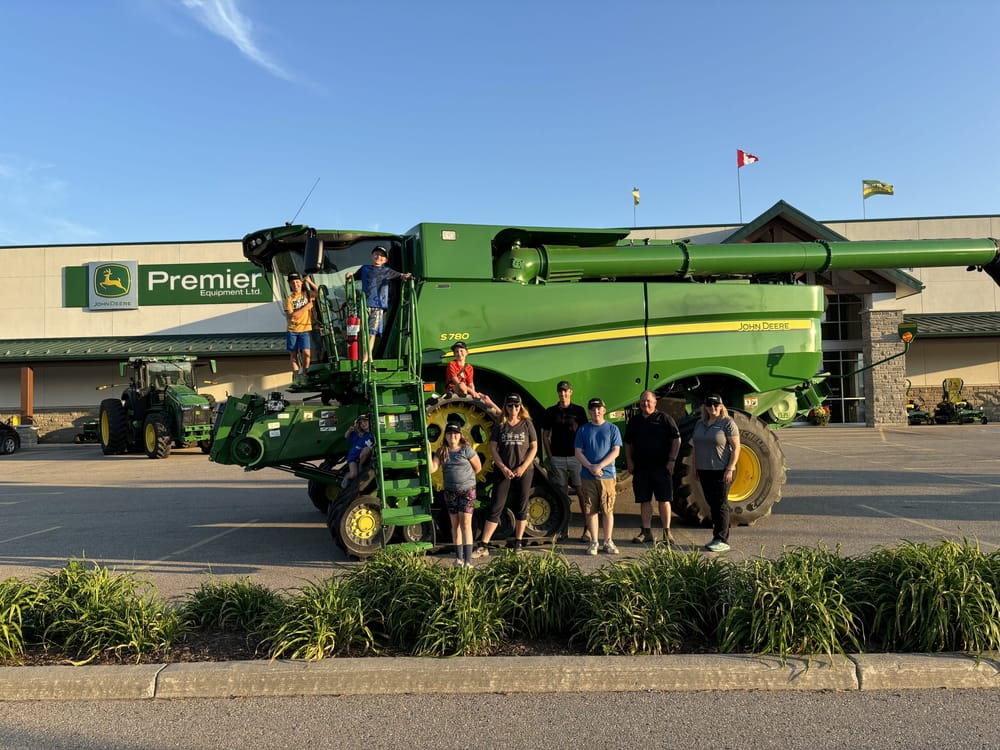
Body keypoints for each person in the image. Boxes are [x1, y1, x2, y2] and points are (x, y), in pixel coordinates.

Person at [473, 393, 537, 558]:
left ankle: (518, 543)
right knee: (496, 507)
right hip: (504, 471)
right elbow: (493, 449)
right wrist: (503, 468)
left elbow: (534, 447)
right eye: (510, 406)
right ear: (506, 407)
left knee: (522, 506)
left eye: (516, 406)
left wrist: (523, 467)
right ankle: (484, 545)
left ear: (520, 407)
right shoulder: (500, 425)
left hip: (524, 471)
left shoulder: (527, 424)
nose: (513, 409)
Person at [624, 390, 681, 545]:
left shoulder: (665, 419)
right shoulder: (634, 421)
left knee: (664, 500)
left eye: (648, 401)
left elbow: (677, 440)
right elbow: (628, 443)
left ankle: (667, 532)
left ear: (655, 403)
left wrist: (672, 460)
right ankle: (646, 532)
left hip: (662, 467)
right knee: (644, 500)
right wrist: (629, 460)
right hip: (641, 467)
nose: (645, 403)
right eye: (643, 401)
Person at [691, 394, 741, 553]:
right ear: (704, 406)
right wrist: (695, 469)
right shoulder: (700, 424)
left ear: (721, 405)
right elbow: (695, 449)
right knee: (712, 504)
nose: (712, 407)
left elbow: (736, 448)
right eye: (709, 404)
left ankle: (723, 539)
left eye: (716, 404)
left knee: (720, 505)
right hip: (704, 470)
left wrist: (730, 468)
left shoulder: (727, 423)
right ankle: (716, 536)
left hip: (721, 470)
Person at [541, 380, 589, 540]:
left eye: (566, 391)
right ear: (558, 393)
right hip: (558, 458)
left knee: (581, 492)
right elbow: (545, 435)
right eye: (560, 391)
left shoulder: (579, 411)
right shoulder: (551, 411)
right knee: (562, 493)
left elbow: (585, 434)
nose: (563, 394)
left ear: (571, 392)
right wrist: (550, 455)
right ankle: (563, 528)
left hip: (576, 457)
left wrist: (583, 454)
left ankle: (587, 528)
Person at [429, 422, 482, 567]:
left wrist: (466, 480)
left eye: (455, 433)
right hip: (450, 492)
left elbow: (478, 467)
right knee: (455, 524)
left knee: (466, 523)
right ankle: (458, 559)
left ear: (460, 435)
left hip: (467, 491)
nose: (453, 436)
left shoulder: (466, 450)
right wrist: (428, 451)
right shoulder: (441, 451)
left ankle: (468, 561)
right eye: (450, 433)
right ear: (445, 436)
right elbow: (432, 468)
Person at [574, 397, 622, 556]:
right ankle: (594, 541)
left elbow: (616, 450)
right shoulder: (583, 430)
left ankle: (608, 541)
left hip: (607, 475)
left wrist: (600, 466)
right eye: (593, 409)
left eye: (598, 408)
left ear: (604, 410)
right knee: (591, 509)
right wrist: (590, 466)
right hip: (588, 476)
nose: (596, 411)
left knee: (608, 509)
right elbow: (578, 452)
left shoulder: (612, 428)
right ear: (589, 411)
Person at [351, 245, 411, 360]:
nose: (379, 257)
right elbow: (353, 278)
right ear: (372, 255)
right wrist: (349, 276)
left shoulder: (387, 271)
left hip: (378, 306)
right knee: (361, 332)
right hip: (364, 304)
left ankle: (366, 359)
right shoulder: (364, 269)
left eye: (382, 256)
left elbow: (401, 275)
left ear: (386, 260)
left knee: (371, 333)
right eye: (377, 254)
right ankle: (361, 357)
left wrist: (406, 276)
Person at [445, 341, 499, 413]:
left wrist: (474, 393)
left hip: (466, 391)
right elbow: (456, 381)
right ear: (454, 354)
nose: (459, 353)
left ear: (467, 352)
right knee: (462, 385)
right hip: (453, 389)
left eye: (461, 351)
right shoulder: (452, 364)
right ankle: (466, 405)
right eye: (456, 351)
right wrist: (471, 392)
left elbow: (470, 383)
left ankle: (501, 415)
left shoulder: (469, 367)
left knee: (485, 397)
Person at [284, 272, 314, 381]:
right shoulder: (289, 299)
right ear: (290, 285)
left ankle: (304, 373)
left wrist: (309, 281)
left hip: (305, 329)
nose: (295, 284)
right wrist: (306, 307)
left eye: (297, 282)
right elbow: (292, 316)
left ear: (301, 283)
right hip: (292, 330)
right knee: (294, 354)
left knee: (306, 354)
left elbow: (320, 293)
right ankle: (296, 375)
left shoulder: (307, 294)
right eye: (293, 283)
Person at [342, 414, 374, 488]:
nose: (363, 424)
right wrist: (349, 431)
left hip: (363, 457)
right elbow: (346, 436)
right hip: (353, 457)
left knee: (366, 449)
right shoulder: (358, 434)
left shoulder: (373, 434)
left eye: (365, 421)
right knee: (353, 474)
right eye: (361, 423)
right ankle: (346, 476)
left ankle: (360, 466)